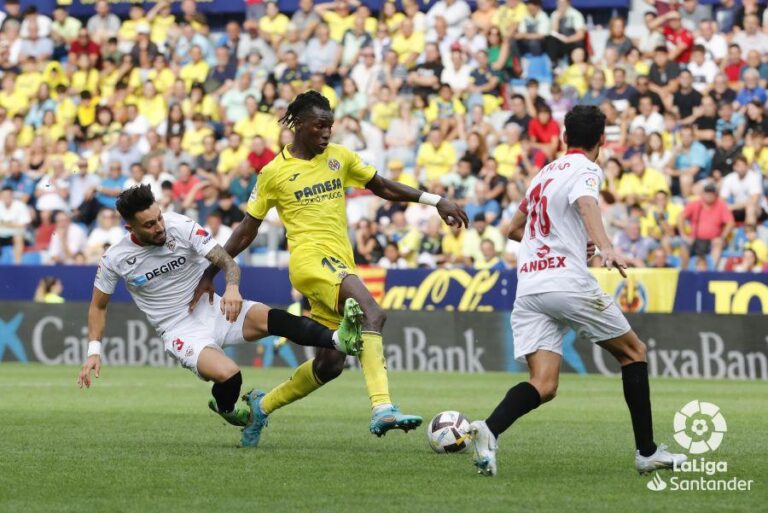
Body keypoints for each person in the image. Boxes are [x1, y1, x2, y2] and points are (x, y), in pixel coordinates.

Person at [191, 91, 468, 444]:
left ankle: (262, 407)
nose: (326, 133)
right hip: (310, 262)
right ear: (298, 124)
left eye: (330, 126)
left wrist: (435, 200)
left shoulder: (339, 157)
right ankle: (382, 407)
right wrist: (210, 272)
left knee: (330, 363)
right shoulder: (274, 173)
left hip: (339, 262)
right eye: (319, 125)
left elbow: (382, 186)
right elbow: (247, 229)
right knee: (372, 313)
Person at [468, 105, 686, 477]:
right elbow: (586, 204)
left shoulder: (543, 174)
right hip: (565, 283)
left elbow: (514, 229)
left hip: (530, 288)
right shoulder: (587, 169)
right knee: (633, 352)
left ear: (564, 136)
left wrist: (569, 241)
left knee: (544, 383)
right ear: (602, 139)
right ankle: (647, 452)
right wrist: (605, 246)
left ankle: (489, 429)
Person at [77, 185, 365, 447]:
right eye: (149, 225)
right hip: (178, 328)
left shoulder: (180, 226)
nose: (159, 227)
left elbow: (227, 260)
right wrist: (93, 352)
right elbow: (98, 306)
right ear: (130, 227)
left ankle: (338, 339)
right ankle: (226, 409)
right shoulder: (115, 258)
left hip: (213, 305)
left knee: (272, 318)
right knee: (229, 375)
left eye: (159, 218)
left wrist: (232, 287)